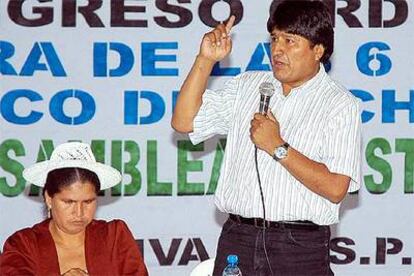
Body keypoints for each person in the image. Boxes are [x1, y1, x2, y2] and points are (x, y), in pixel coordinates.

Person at [171, 0, 361, 275]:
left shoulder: (340, 104)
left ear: (318, 50)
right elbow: (183, 121)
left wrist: (278, 147)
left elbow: (335, 188)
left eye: (290, 41)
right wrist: (206, 60)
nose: (277, 50)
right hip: (239, 238)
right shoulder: (248, 86)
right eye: (274, 39)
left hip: (299, 247)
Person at [0, 142, 148, 276]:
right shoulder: (24, 244)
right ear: (49, 198)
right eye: (69, 202)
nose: (79, 213)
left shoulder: (114, 236)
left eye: (88, 202)